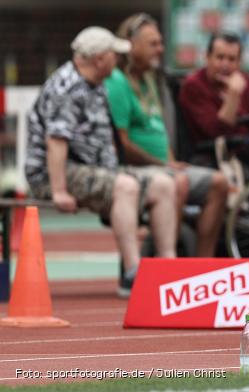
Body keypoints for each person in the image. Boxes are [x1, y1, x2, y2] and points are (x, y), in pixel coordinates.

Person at [24, 27, 178, 297]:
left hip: (96, 169)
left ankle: (168, 268)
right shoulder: (67, 87)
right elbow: (56, 141)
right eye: (114, 55)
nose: (118, 61)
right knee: (125, 187)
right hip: (54, 173)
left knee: (163, 184)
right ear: (99, 59)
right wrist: (59, 190)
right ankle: (133, 273)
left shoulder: (95, 85)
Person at [105, 13, 231, 257]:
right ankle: (165, 263)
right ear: (131, 45)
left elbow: (159, 132)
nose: (160, 49)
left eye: (160, 43)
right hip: (133, 171)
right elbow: (121, 143)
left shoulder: (150, 80)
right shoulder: (117, 82)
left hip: (163, 166)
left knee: (219, 183)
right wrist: (164, 165)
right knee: (178, 182)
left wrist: (171, 161)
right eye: (153, 44)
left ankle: (201, 265)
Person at [178, 32, 249, 157]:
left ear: (239, 62)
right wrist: (233, 95)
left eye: (232, 59)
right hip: (212, 158)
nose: (225, 65)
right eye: (220, 57)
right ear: (207, 57)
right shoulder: (193, 85)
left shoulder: (245, 80)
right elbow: (217, 134)